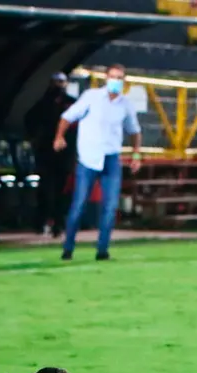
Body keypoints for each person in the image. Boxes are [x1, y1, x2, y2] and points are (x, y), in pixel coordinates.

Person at [54, 64, 142, 261]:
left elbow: (134, 131)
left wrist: (136, 155)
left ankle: (102, 249)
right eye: (113, 77)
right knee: (79, 204)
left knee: (110, 206)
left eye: (119, 78)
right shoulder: (91, 97)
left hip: (111, 158)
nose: (116, 81)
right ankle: (68, 247)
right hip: (88, 158)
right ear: (106, 78)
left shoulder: (125, 104)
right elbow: (67, 117)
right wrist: (59, 136)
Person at [26, 72, 76, 237]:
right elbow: (30, 120)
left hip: (65, 152)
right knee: (45, 189)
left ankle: (58, 224)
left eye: (61, 82)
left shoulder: (71, 103)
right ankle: (41, 222)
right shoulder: (43, 103)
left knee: (62, 190)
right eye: (56, 82)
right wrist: (35, 139)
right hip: (46, 152)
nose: (58, 85)